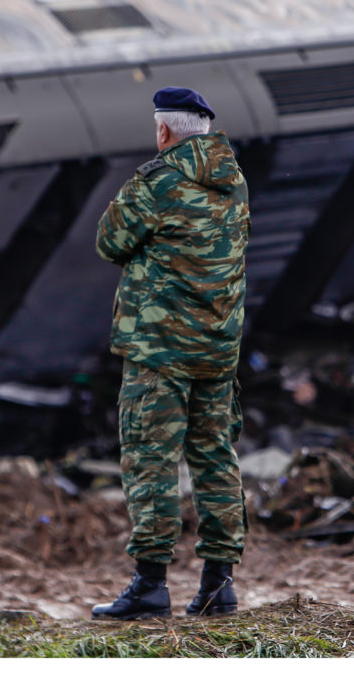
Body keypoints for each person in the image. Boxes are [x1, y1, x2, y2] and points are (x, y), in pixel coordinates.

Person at [91, 86, 250, 620]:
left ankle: (150, 584)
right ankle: (218, 585)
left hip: (159, 349)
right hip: (218, 347)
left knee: (150, 458)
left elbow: (110, 242)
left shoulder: (156, 182)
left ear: (163, 131)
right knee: (215, 456)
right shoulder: (234, 181)